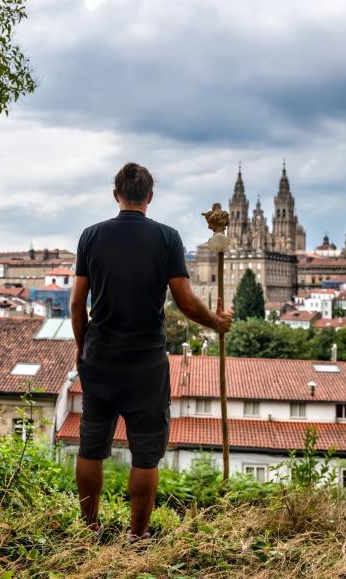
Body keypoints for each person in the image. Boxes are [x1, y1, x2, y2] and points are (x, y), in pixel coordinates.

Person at [70, 162, 232, 539]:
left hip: (100, 358)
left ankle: (89, 529)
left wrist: (83, 347)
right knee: (145, 453)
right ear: (150, 197)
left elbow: (78, 302)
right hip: (147, 363)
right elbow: (186, 302)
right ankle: (137, 536)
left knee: (91, 446)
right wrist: (217, 322)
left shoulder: (90, 236)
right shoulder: (167, 238)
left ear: (116, 195)